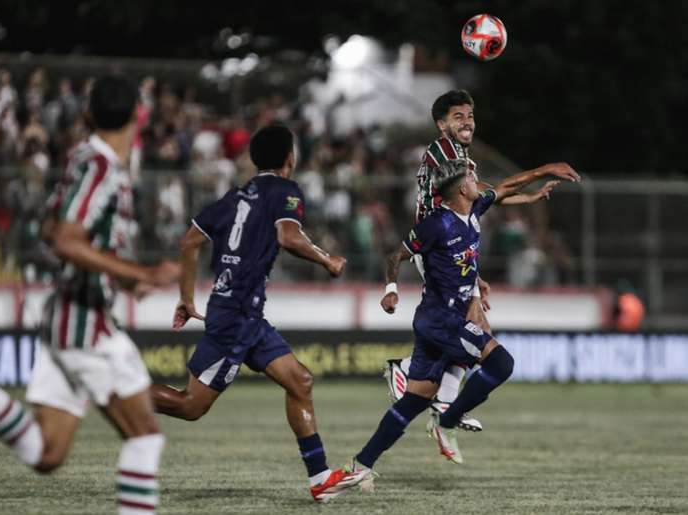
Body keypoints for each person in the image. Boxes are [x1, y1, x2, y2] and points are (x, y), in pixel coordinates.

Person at [0, 76, 180, 515]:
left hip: (67, 317)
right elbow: (66, 241)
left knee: (46, 454)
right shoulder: (100, 167)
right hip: (84, 324)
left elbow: (51, 230)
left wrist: (127, 279)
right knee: (145, 436)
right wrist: (142, 270)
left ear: (88, 115)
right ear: (138, 115)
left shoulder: (83, 161)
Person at [150, 124, 368, 502]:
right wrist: (326, 259)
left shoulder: (236, 195)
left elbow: (190, 241)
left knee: (300, 381)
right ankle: (115, 389)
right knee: (190, 406)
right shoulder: (285, 190)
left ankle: (319, 478)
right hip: (235, 316)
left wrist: (187, 297)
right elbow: (288, 236)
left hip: (245, 314)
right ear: (290, 158)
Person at [352, 158, 579, 482]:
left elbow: (506, 187)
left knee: (415, 400)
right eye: (473, 176)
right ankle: (446, 421)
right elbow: (395, 255)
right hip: (440, 319)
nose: (478, 181)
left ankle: (361, 465)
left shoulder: (472, 211)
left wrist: (543, 170)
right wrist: (391, 289)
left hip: (445, 319)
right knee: (501, 363)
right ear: (461, 188)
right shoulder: (436, 224)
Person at [385, 89, 559, 437]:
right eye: (458, 116)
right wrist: (537, 175)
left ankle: (433, 391)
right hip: (440, 242)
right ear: (441, 124)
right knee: (475, 327)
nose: (467, 122)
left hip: (451, 242)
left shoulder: (453, 156)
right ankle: (428, 387)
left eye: (470, 116)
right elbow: (477, 193)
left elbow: (478, 197)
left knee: (470, 329)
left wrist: (526, 197)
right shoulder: (447, 151)